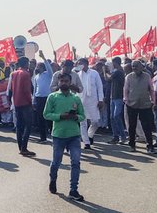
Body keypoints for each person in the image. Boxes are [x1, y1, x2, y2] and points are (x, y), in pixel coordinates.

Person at [43, 72, 86, 201]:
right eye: (61, 81)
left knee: (75, 162)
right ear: (58, 82)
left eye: (66, 81)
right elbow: (46, 114)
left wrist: (75, 117)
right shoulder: (52, 97)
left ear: (70, 82)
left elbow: (82, 116)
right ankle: (53, 180)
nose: (64, 83)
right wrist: (60, 116)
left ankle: (73, 190)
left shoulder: (76, 98)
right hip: (59, 135)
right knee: (56, 162)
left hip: (74, 135)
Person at [123, 60, 156, 155]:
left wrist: (153, 101)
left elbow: (151, 89)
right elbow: (125, 89)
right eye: (133, 66)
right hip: (131, 104)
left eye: (136, 66)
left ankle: (150, 146)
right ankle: (132, 145)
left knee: (147, 126)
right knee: (131, 126)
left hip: (145, 105)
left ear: (142, 67)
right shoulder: (129, 77)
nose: (134, 68)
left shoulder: (147, 76)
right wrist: (126, 100)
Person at [8, 57, 35, 157]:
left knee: (19, 126)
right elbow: (27, 90)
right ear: (26, 63)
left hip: (16, 101)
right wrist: (30, 102)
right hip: (25, 102)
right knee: (28, 125)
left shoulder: (14, 73)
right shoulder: (26, 74)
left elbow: (11, 88)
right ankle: (24, 147)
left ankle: (21, 147)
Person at [76, 58, 104, 149]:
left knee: (95, 121)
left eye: (80, 63)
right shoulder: (78, 74)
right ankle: (86, 142)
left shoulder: (94, 73)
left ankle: (89, 135)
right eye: (78, 63)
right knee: (83, 122)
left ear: (86, 64)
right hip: (81, 100)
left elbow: (99, 87)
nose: (79, 65)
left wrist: (101, 99)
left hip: (93, 100)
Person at [32, 51, 54, 142]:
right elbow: (35, 88)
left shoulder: (48, 74)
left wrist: (44, 58)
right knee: (40, 118)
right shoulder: (36, 77)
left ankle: (54, 136)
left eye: (38, 67)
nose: (37, 68)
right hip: (38, 99)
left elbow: (49, 68)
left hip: (47, 98)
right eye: (37, 66)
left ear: (42, 68)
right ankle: (43, 138)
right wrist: (33, 100)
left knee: (49, 118)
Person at [107, 57, 127, 144]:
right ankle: (115, 136)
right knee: (112, 117)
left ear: (115, 63)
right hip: (113, 96)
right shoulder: (116, 71)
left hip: (118, 97)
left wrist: (105, 71)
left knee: (116, 116)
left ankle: (122, 136)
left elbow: (108, 78)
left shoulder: (118, 71)